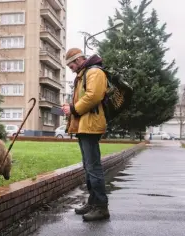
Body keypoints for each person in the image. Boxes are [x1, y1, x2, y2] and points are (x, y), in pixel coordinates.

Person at [62, 48, 110, 221]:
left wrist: (73, 109)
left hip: (91, 125)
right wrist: (70, 107)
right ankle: (93, 202)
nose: (71, 68)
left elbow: (93, 96)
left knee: (93, 167)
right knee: (88, 167)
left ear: (79, 59)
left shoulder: (94, 72)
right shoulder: (84, 73)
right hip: (84, 125)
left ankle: (101, 207)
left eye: (71, 64)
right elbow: (85, 97)